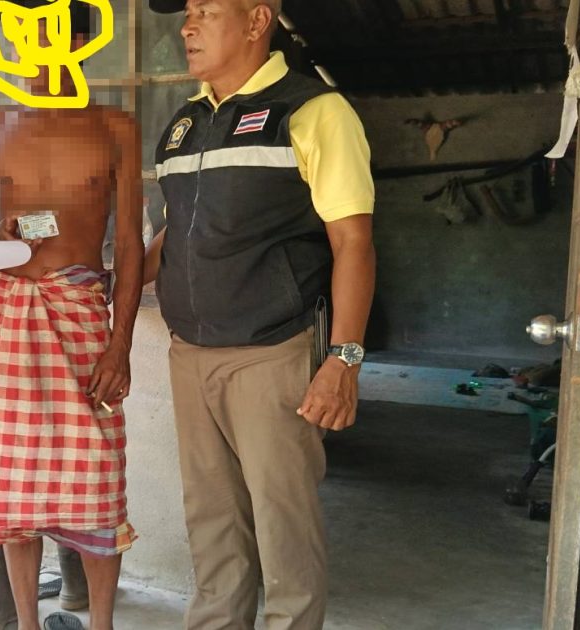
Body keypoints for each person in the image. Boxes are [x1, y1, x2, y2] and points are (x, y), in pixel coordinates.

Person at [144, 1, 377, 629]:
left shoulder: (313, 111)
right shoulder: (187, 121)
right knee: (212, 525)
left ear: (255, 21)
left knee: (283, 530)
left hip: (271, 353)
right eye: (187, 13)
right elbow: (176, 231)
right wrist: (110, 282)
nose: (187, 26)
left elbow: (353, 242)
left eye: (206, 11)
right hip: (190, 353)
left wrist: (344, 360)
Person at [0, 3, 145, 629]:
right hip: (10, 315)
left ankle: (102, 623)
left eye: (51, 32)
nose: (34, 48)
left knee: (97, 475)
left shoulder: (114, 126)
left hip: (83, 311)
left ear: (81, 38)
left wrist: (120, 344)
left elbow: (130, 244)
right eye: (24, 34)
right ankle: (27, 623)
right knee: (14, 482)